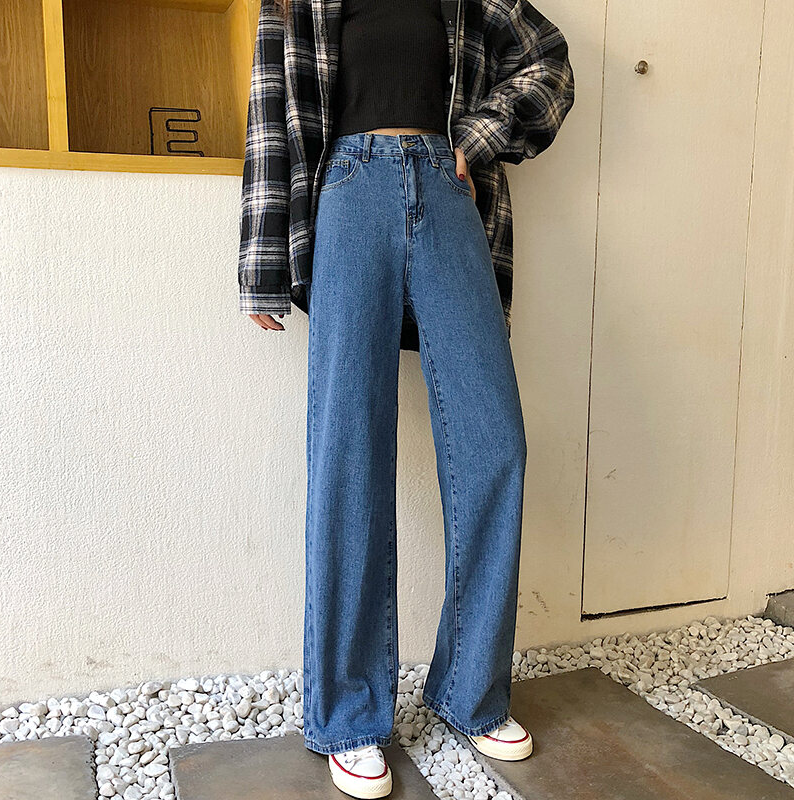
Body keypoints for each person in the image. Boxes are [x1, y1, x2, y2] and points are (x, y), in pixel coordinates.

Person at [238, 0, 575, 796]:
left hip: (448, 190)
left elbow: (548, 63)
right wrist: (260, 259)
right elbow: (271, 117)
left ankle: (470, 692)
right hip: (349, 190)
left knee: (494, 446)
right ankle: (350, 714)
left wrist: (478, 137)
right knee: (348, 452)